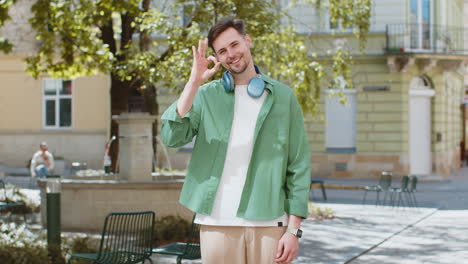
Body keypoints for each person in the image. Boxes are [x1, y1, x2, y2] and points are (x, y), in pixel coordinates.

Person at [161, 18, 310, 264]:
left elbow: (298, 166)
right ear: (217, 58)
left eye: (234, 44)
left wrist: (293, 230)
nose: (231, 54)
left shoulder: (284, 98)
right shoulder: (206, 96)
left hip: (269, 222)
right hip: (216, 223)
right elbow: (171, 136)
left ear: (247, 41)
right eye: (222, 51)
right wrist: (194, 82)